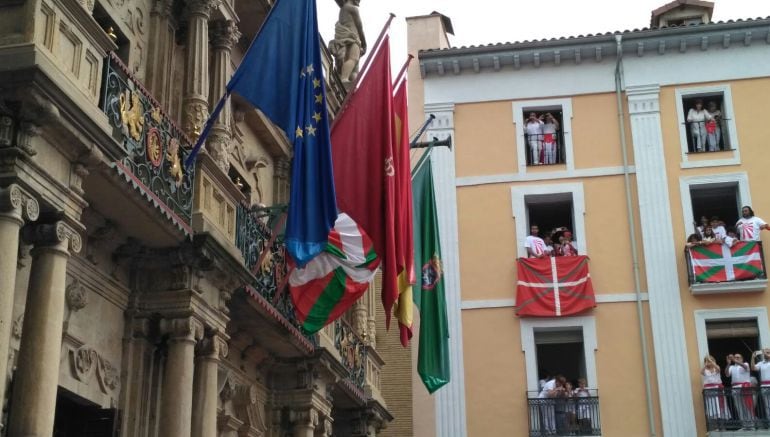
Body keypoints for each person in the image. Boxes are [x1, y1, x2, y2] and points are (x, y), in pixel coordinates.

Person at [329, 0, 366, 85]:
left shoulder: (343, 9)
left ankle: (352, 83)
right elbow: (360, 27)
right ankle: (344, 78)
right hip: (352, 38)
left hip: (348, 38)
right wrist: (364, 43)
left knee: (354, 67)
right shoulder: (352, 9)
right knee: (353, 59)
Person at [726, 353, 756, 429]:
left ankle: (751, 424)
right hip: (735, 388)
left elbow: (745, 366)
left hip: (745, 387)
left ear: (742, 359)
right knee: (739, 407)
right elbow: (727, 374)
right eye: (735, 357)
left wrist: (734, 360)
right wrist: (728, 364)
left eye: (738, 357)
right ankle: (744, 424)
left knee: (747, 406)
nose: (736, 358)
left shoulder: (745, 364)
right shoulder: (732, 367)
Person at [702, 355, 730, 423]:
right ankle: (715, 425)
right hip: (709, 391)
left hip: (718, 390)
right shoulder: (705, 370)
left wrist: (712, 361)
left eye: (711, 360)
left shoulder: (716, 368)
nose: (709, 362)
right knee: (712, 407)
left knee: (720, 407)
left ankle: (721, 425)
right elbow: (701, 372)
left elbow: (718, 369)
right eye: (707, 361)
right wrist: (706, 364)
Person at [752, 349, 770, 424]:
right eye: (766, 352)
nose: (768, 353)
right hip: (764, 385)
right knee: (767, 405)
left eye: (769, 352)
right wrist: (752, 357)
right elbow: (753, 368)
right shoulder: (760, 363)